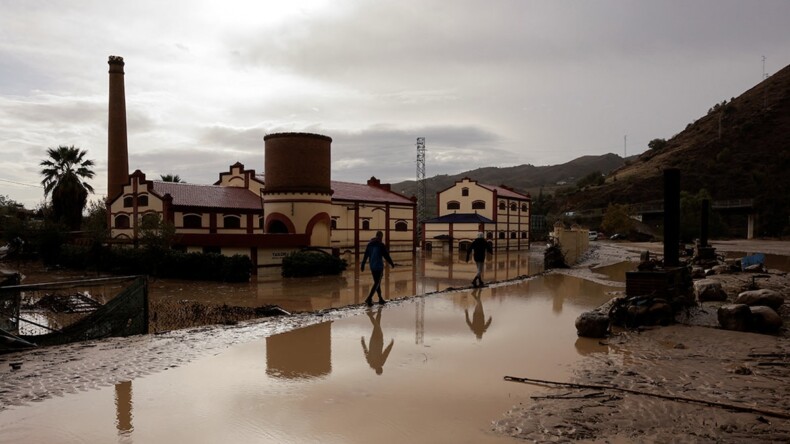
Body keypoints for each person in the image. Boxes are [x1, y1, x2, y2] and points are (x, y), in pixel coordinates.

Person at [361, 231, 396, 305]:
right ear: (381, 236)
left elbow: (366, 255)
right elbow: (386, 256)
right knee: (377, 283)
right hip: (379, 267)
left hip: (372, 266)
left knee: (377, 283)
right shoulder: (381, 245)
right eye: (381, 237)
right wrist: (392, 263)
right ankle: (369, 298)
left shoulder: (369, 244)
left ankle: (380, 299)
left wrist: (363, 264)